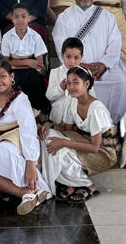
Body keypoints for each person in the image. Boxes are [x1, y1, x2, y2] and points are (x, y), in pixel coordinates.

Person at [52, 0, 126, 122]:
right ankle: (83, 124)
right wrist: (80, 65)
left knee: (121, 83)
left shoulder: (106, 16)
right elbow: (60, 44)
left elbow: (115, 43)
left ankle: (114, 124)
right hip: (76, 67)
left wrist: (103, 64)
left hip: (103, 67)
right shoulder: (64, 17)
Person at [0, 60, 52, 215]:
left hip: (19, 139)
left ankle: (35, 187)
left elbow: (28, 130)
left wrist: (30, 162)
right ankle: (26, 193)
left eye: (2, 76)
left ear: (12, 77)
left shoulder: (20, 99)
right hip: (1, 140)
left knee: (0, 151)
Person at [39, 67, 119, 203]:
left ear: (86, 84)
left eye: (76, 82)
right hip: (82, 140)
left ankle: (88, 184)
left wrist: (63, 143)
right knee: (48, 136)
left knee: (61, 147)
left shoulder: (96, 109)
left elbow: (95, 147)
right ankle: (70, 182)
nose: (71, 87)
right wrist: (49, 125)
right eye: (69, 83)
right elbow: (66, 128)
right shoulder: (73, 101)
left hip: (103, 152)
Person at [1, 3, 50, 115]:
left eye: (23, 16)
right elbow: (5, 63)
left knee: (35, 80)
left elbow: (39, 64)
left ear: (29, 18)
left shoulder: (35, 36)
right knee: (13, 81)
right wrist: (28, 62)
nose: (20, 20)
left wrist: (17, 64)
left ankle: (35, 112)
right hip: (14, 71)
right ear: (12, 18)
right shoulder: (7, 37)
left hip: (32, 71)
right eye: (16, 17)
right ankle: (14, 114)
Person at [46, 38, 96, 124]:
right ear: (62, 56)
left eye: (76, 58)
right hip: (58, 118)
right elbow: (49, 96)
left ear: (81, 58)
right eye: (68, 57)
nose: (72, 61)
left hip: (77, 118)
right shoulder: (55, 72)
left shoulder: (86, 74)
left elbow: (92, 97)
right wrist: (60, 88)